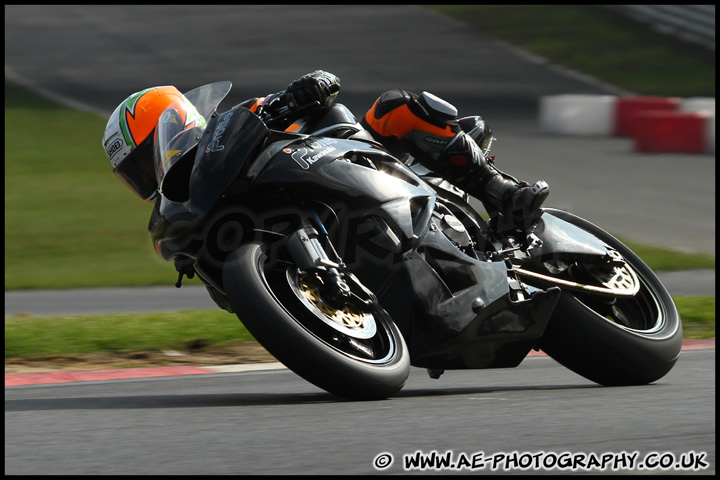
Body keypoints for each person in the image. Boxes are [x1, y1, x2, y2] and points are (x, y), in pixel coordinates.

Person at [102, 70, 548, 230]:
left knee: (393, 108)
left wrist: (306, 87)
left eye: (146, 155)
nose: (150, 171)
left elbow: (315, 87)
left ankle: (502, 192)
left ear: (178, 122)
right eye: (136, 171)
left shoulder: (235, 122)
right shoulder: (185, 210)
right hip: (302, 213)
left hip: (350, 160)